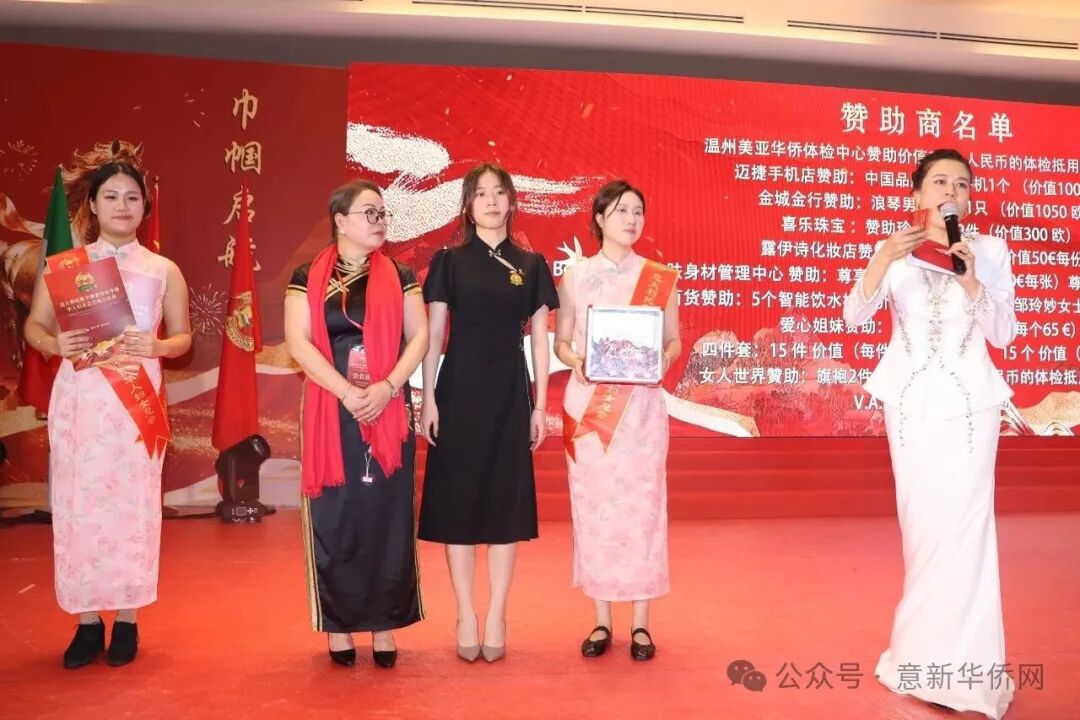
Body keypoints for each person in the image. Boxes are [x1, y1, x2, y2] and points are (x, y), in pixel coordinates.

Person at [843, 148, 1016, 718]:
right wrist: (881, 259)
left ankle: (970, 676)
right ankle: (919, 658)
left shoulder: (989, 251)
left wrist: (972, 281)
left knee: (965, 528)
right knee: (922, 529)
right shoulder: (896, 249)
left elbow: (1004, 333)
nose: (951, 192)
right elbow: (853, 316)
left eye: (961, 184)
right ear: (916, 193)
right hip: (911, 403)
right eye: (939, 182)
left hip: (971, 407)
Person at [23, 144, 191, 669]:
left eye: (132, 197)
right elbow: (35, 327)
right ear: (92, 205)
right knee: (81, 505)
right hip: (82, 403)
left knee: (132, 508)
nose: (122, 206)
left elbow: (183, 338)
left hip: (134, 408)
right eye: (111, 197)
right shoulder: (65, 268)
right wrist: (54, 344)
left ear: (145, 206)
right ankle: (87, 622)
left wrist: (157, 346)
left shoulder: (164, 269)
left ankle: (129, 619)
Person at [285, 180, 429, 669]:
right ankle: (340, 625)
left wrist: (387, 387)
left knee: (387, 513)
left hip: (387, 404)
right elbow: (298, 342)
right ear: (340, 221)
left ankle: (385, 624)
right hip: (332, 407)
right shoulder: (308, 275)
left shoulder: (401, 274)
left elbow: (419, 337)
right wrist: (346, 392)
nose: (379, 220)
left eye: (383, 213)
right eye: (369, 212)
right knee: (337, 512)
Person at [418, 162, 558, 663]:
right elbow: (435, 335)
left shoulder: (532, 264)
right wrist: (429, 397)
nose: (492, 201)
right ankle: (464, 613)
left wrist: (540, 404)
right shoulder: (449, 262)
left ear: (511, 201)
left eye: (499, 193)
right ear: (468, 205)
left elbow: (539, 341)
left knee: (505, 503)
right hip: (458, 391)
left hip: (509, 393)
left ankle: (497, 613)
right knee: (458, 502)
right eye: (481, 194)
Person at [553, 180, 680, 661]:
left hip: (641, 413)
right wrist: (577, 360)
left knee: (643, 510)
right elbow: (562, 341)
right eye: (622, 210)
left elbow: (673, 341)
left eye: (638, 211)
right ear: (600, 219)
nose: (632, 219)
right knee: (596, 510)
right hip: (592, 411)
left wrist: (661, 360)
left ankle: (641, 623)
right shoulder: (575, 277)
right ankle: (601, 620)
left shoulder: (660, 278)